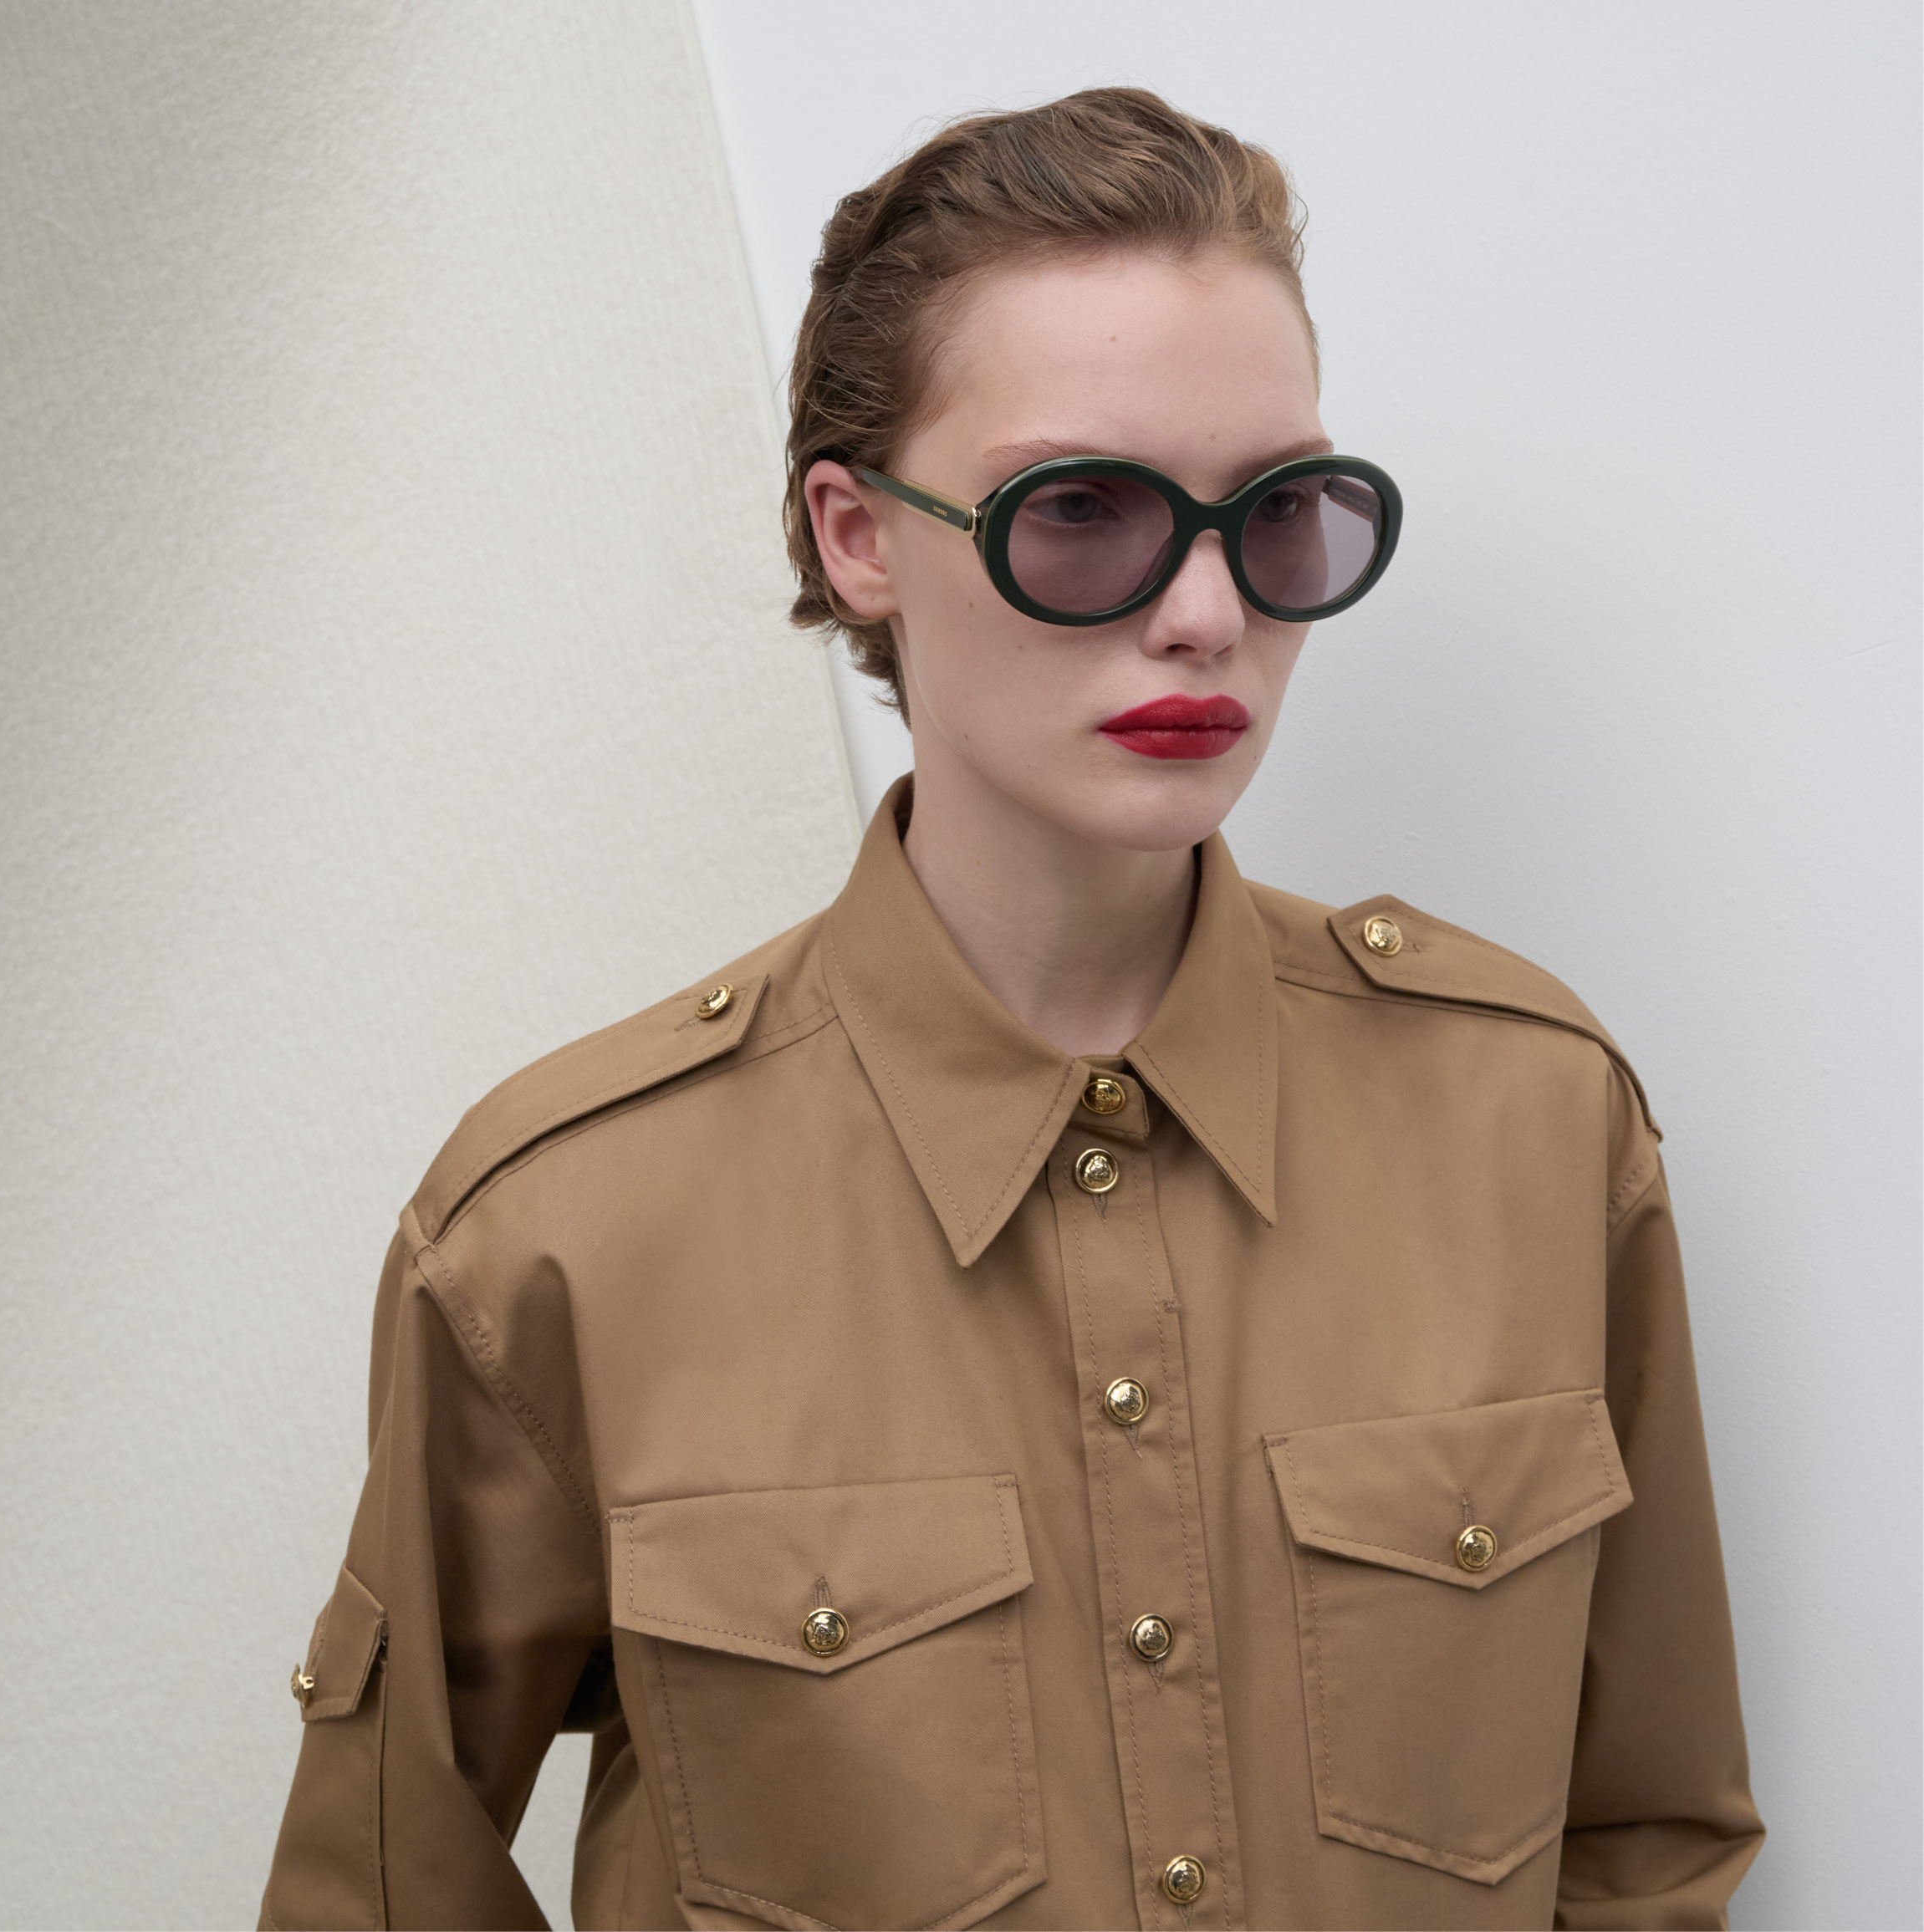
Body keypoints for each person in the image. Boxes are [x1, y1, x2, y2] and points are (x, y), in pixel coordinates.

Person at [262, 87, 1763, 1932]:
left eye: (1278, 514)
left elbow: (1648, 1839)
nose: (1205, 612)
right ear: (858, 537)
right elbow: (378, 1890)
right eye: (1082, 513)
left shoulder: (1533, 1120)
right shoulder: (558, 1233)